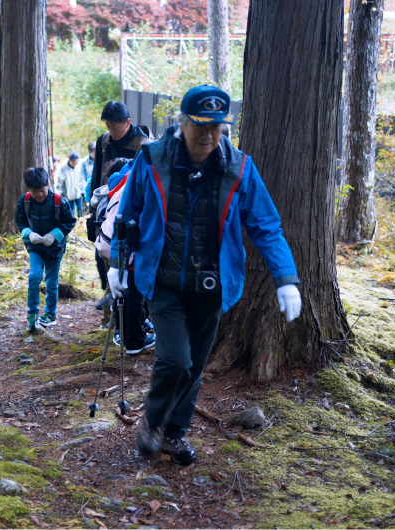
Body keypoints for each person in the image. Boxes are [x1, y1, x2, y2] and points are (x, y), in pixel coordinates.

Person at [108, 85, 302, 465]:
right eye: (201, 126)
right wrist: (118, 262)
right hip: (163, 284)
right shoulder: (152, 159)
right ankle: (152, 421)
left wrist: (286, 278)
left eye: (217, 127)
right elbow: (127, 214)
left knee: (195, 366)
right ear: (182, 123)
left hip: (212, 288)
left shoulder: (239, 167)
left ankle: (174, 434)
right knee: (175, 360)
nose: (210, 136)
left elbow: (266, 226)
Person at [96, 157, 155, 354]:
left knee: (124, 294)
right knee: (135, 297)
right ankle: (135, 341)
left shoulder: (118, 185)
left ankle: (121, 332)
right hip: (131, 251)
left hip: (116, 250)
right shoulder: (133, 185)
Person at [16, 167, 76, 331]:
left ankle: (50, 314)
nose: (39, 195)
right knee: (34, 277)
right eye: (35, 192)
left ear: (48, 185)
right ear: (29, 190)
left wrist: (54, 235)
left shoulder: (58, 200)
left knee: (51, 282)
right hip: (35, 247)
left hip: (54, 249)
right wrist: (29, 233)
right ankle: (32, 314)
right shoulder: (25, 201)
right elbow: (21, 222)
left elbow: (70, 221)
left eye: (42, 190)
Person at [55, 151, 84, 217]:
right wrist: (60, 193)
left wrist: (82, 188)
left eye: (76, 163)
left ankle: (81, 222)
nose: (75, 165)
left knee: (80, 209)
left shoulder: (79, 165)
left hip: (78, 192)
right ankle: (72, 224)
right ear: (69, 160)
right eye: (73, 163)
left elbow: (81, 178)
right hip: (68, 194)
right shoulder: (63, 168)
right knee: (71, 210)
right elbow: (59, 183)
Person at [80, 142, 96, 213]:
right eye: (93, 151)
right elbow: (81, 178)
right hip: (86, 190)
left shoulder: (101, 160)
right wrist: (85, 192)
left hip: (96, 190)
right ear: (89, 151)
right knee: (86, 212)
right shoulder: (84, 162)